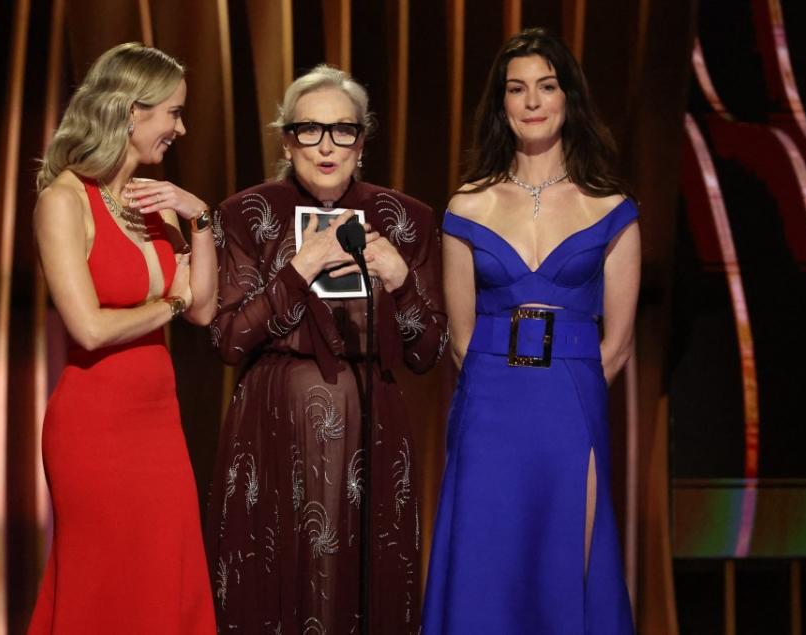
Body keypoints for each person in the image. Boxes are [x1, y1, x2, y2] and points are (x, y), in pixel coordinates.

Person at [205, 64, 448, 633]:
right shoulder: (245, 214)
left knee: (367, 582)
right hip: (272, 426)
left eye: (343, 130)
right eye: (309, 130)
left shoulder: (407, 219)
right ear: (287, 139)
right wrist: (298, 270)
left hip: (372, 423)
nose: (327, 145)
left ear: (362, 141)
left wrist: (400, 280)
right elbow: (227, 337)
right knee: (271, 580)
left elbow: (428, 352)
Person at [422, 28, 640, 633]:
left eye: (546, 86)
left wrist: (569, 386)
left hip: (571, 400)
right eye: (517, 90)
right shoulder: (467, 206)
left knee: (571, 554)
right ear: (501, 105)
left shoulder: (612, 207)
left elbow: (618, 343)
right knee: (487, 557)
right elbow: (460, 337)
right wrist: (498, 383)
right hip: (489, 401)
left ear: (569, 97)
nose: (533, 101)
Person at [27, 43, 216, 633]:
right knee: (104, 585)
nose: (179, 128)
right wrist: (172, 301)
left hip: (159, 422)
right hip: (94, 426)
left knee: (166, 578)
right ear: (130, 112)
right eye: (172, 112)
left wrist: (200, 218)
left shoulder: (149, 203)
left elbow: (204, 311)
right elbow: (88, 326)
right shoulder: (63, 200)